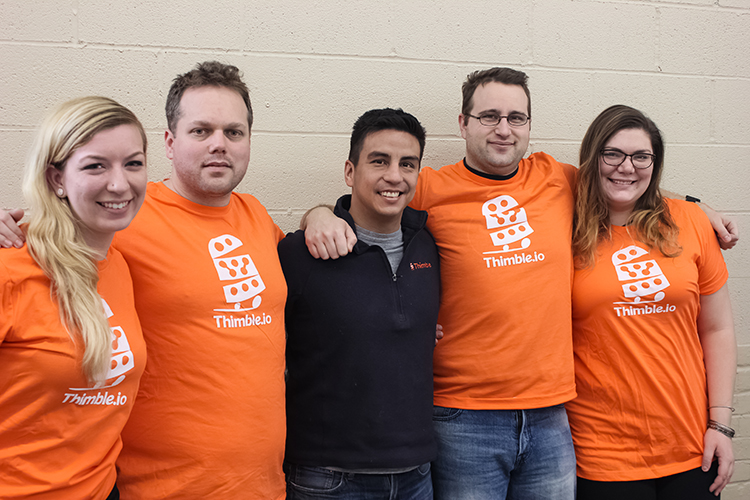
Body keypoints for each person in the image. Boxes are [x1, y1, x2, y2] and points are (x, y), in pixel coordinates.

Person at [303, 68, 739, 500]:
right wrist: (319, 214)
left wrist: (699, 210)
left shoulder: (558, 178)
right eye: (489, 116)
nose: (503, 130)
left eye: (516, 118)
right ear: (463, 124)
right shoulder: (430, 187)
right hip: (464, 417)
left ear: (529, 126)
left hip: (553, 417)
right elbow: (369, 198)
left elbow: (627, 182)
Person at [0, 62, 287, 498]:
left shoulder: (257, 216)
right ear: (171, 143)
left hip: (261, 486)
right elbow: (56, 227)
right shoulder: (124, 216)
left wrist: (326, 214)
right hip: (157, 487)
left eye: (234, 132)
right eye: (200, 131)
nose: (219, 145)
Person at [567, 105, 736, 499]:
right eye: (613, 154)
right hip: (602, 453)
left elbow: (718, 328)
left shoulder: (690, 222)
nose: (626, 167)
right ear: (593, 158)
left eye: (641, 156)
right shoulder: (565, 226)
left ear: (654, 164)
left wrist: (721, 425)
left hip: (692, 445)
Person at [279, 108, 440, 499]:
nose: (394, 176)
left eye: (408, 164)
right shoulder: (303, 253)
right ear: (350, 172)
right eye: (379, 161)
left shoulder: (431, 245)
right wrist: (315, 214)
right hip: (328, 478)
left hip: (416, 474)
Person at [0, 96, 147, 499]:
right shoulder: (10, 269)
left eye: (133, 163)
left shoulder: (119, 265)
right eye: (96, 165)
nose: (119, 184)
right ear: (56, 180)